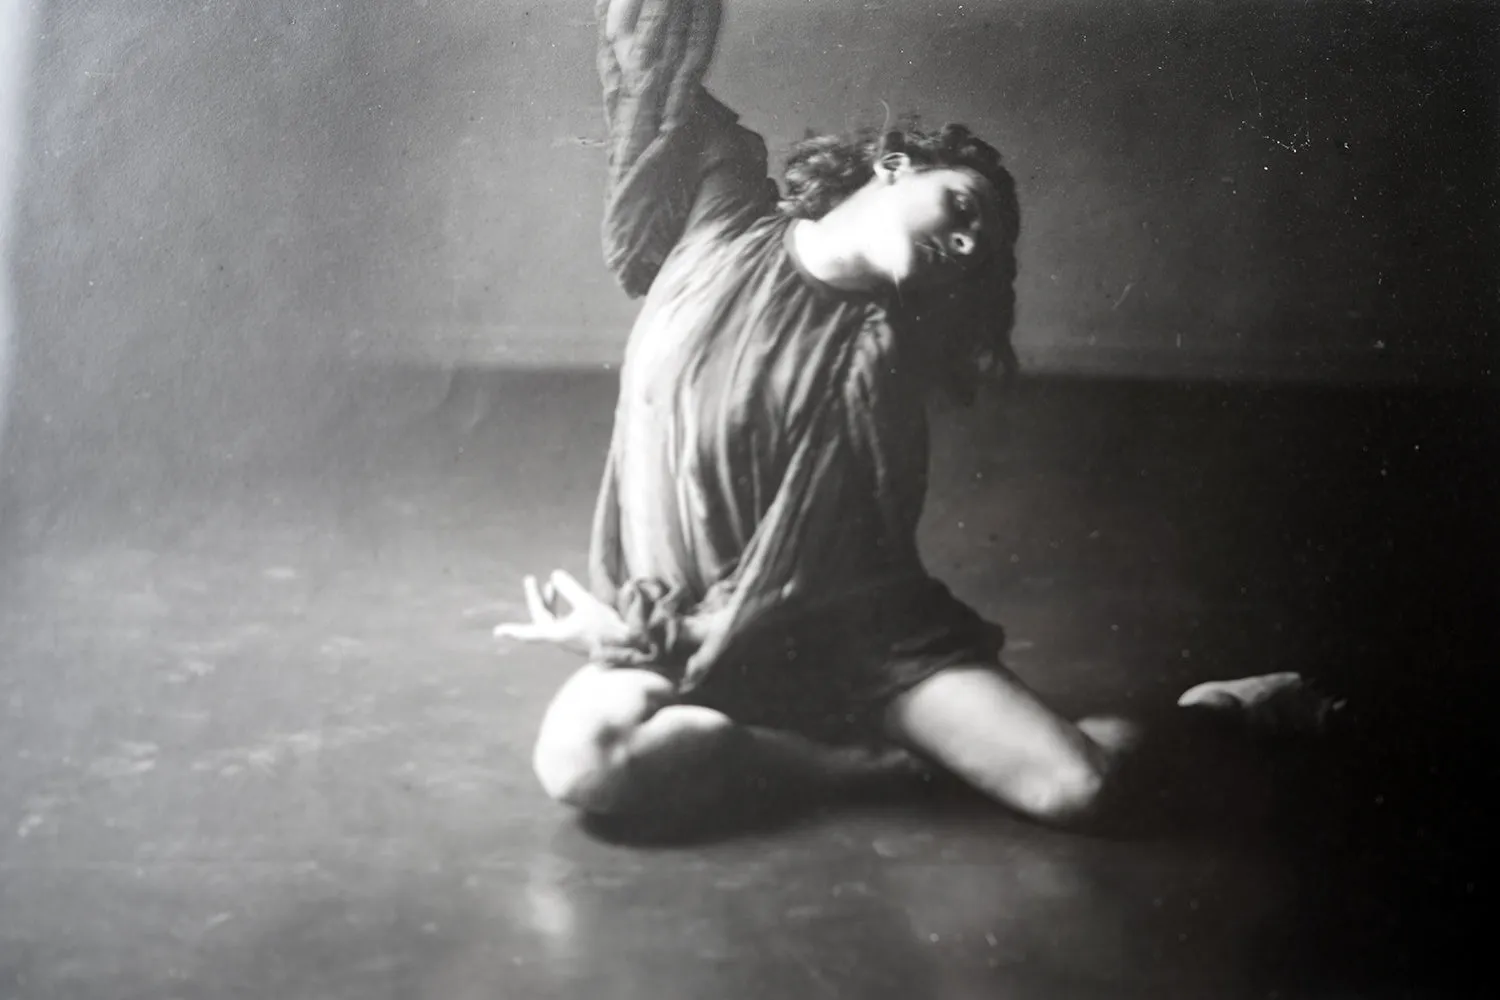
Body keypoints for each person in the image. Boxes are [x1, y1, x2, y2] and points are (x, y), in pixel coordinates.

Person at [495, 0, 1338, 834]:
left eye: (983, 251)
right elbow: (650, 65)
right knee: (582, 762)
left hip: (842, 640)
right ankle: (835, 766)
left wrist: (639, 636)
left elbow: (800, 577)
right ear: (896, 165)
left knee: (1085, 788)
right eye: (964, 208)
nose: (969, 244)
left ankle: (1223, 712)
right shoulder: (722, 213)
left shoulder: (872, 363)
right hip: (679, 617)